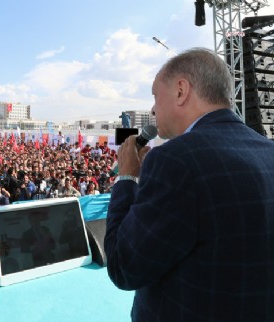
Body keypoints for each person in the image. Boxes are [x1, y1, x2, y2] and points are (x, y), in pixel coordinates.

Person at [104, 48, 274, 322]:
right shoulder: (269, 151)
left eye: (155, 96)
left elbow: (123, 266)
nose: (152, 109)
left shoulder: (174, 160)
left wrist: (127, 178)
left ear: (181, 91)